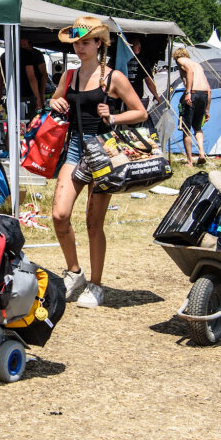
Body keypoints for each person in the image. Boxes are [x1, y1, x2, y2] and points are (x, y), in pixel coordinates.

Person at [49, 16, 147, 308]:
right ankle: (74, 271)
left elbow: (140, 111)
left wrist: (113, 116)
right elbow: (55, 101)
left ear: (99, 43)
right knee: (59, 214)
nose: (80, 48)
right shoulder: (69, 76)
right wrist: (54, 103)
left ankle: (96, 284)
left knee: (94, 223)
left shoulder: (112, 77)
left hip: (104, 148)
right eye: (77, 43)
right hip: (77, 146)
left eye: (86, 42)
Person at [173, 48, 210, 167]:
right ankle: (201, 153)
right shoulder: (198, 65)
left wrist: (188, 92)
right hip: (203, 95)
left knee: (186, 129)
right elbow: (209, 89)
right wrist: (207, 109)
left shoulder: (181, 60)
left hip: (192, 94)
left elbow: (189, 71)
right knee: (198, 127)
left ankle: (189, 161)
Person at [0, 37, 45, 118]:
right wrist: (38, 97)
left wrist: (0, 99)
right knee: (28, 124)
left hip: (11, 97)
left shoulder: (4, 56)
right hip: (26, 97)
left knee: (12, 124)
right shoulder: (27, 54)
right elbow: (31, 77)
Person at [127, 36, 161, 107]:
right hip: (134, 98)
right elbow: (148, 80)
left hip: (121, 96)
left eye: (139, 45)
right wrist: (156, 95)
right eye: (136, 45)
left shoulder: (120, 58)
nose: (139, 47)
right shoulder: (142, 60)